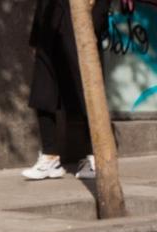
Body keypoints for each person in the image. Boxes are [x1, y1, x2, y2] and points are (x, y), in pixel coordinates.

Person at [23, 0, 111, 181]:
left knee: (86, 91)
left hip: (80, 25)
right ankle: (50, 157)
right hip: (50, 25)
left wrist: (92, 26)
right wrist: (36, 34)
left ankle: (95, 157)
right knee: (43, 90)